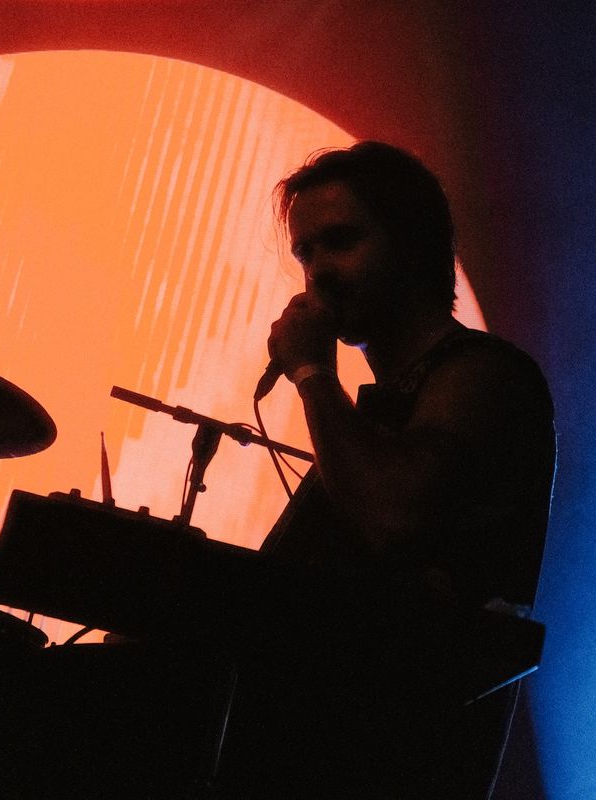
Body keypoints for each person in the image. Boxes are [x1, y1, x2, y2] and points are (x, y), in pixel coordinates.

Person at [230, 142, 556, 799]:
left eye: (340, 242)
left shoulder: (483, 373)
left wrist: (313, 372)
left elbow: (393, 515)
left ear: (412, 244)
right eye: (305, 253)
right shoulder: (377, 419)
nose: (317, 273)